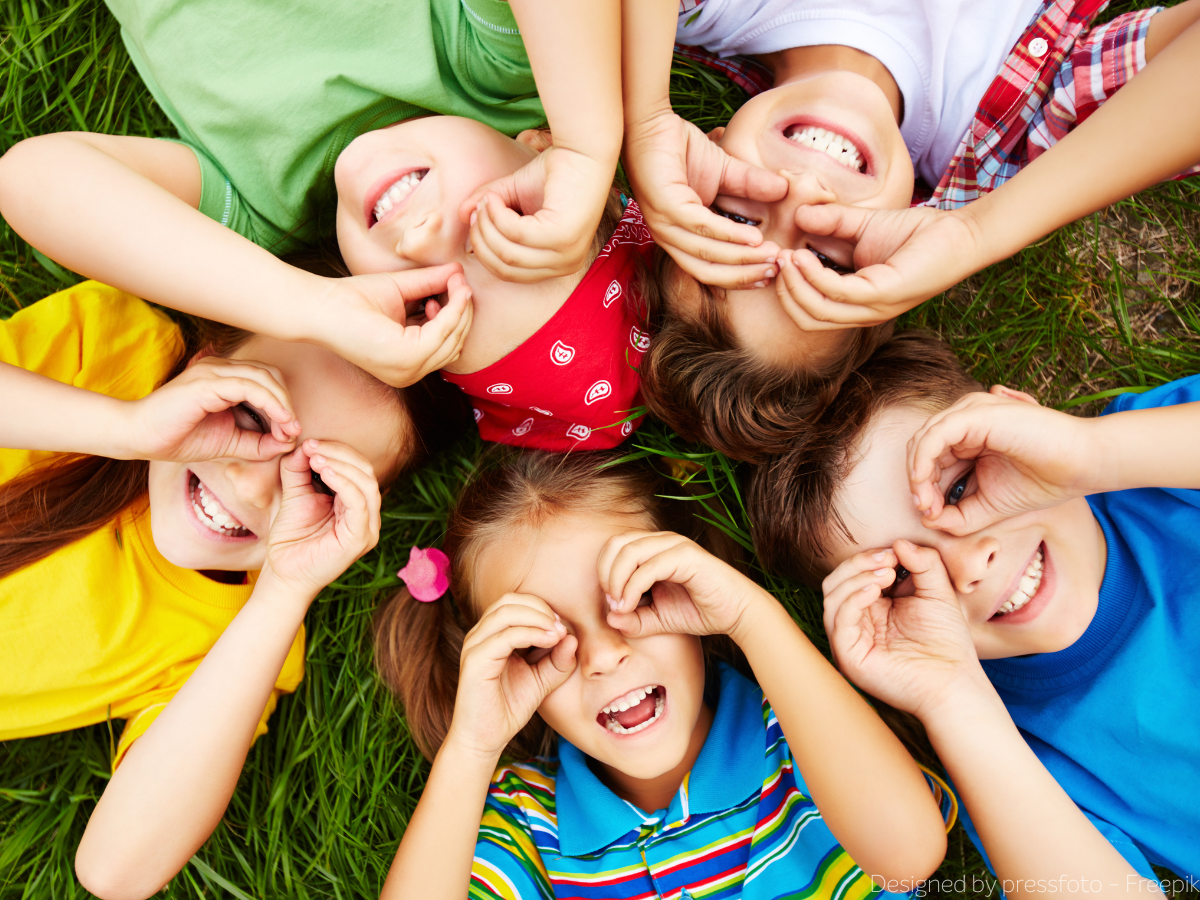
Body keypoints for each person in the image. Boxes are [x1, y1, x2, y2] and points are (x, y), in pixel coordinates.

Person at [0, 0, 650, 451]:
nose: (422, 239)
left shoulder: (260, 215)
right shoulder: (494, 67)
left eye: (426, 301)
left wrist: (311, 305)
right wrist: (587, 142)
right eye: (505, 224)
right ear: (539, 150)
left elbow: (32, 179)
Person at [0, 278, 466, 900]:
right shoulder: (110, 347)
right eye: (250, 416)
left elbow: (116, 870)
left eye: (318, 482)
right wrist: (129, 426)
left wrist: (285, 590)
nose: (251, 487)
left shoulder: (239, 640)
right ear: (205, 361)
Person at [621, 0, 1200, 461]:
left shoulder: (698, 12)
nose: (802, 193)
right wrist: (976, 231)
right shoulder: (1014, 140)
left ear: (704, 154)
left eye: (735, 221)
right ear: (894, 262)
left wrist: (643, 115)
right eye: (827, 260)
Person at [370, 449, 952, 898]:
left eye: (635, 597)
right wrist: (472, 744)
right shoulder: (529, 824)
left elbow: (912, 856)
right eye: (539, 642)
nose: (602, 657)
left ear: (693, 584)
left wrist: (751, 617)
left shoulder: (804, 732)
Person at [748, 330, 1200, 888]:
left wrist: (1092, 452)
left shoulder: (1155, 463)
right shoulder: (1004, 750)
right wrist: (951, 699)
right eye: (907, 577)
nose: (968, 568)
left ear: (1020, 423)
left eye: (960, 490)